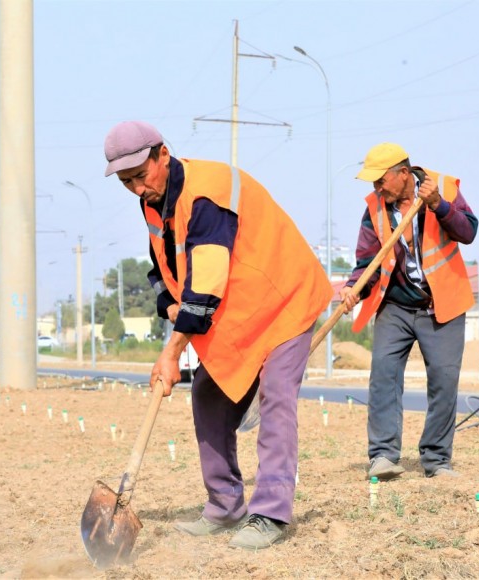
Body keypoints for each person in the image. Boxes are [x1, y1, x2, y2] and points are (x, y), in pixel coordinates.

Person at [103, 121, 332, 550]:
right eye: (125, 181)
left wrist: (172, 351)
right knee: (209, 394)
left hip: (284, 298)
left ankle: (270, 513)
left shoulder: (208, 191)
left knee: (277, 393)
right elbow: (161, 268)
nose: (136, 188)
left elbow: (205, 282)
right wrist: (168, 304)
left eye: (140, 175)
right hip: (239, 311)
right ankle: (226, 504)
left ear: (163, 155)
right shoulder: (153, 200)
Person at [339, 143, 478, 480]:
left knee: (444, 382)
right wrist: (354, 287)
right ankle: (384, 455)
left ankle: (436, 459)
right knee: (383, 375)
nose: (376, 188)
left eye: (380, 180)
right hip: (396, 305)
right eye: (372, 182)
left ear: (403, 174)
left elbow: (469, 231)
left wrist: (439, 206)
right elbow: (367, 259)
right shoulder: (375, 207)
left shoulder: (441, 188)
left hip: (441, 304)